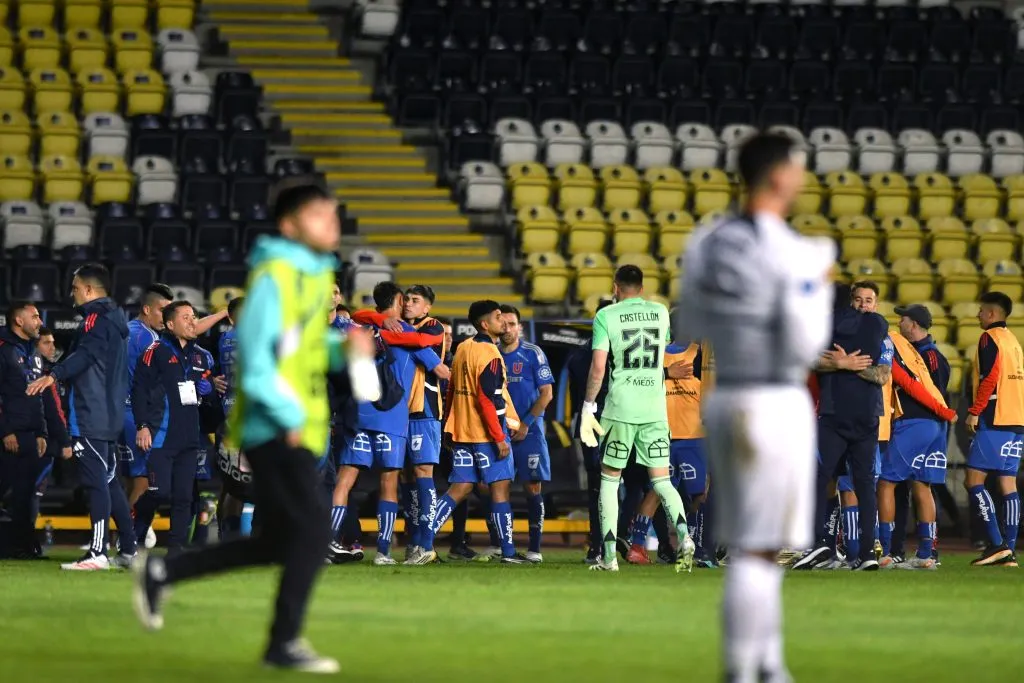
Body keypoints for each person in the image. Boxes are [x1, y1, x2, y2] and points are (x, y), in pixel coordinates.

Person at [132, 184, 379, 672]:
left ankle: (165, 572)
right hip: (276, 425)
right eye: (318, 214)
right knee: (312, 532)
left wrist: (342, 350)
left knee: (278, 541)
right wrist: (287, 418)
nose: (331, 222)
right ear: (289, 225)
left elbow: (302, 351)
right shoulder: (276, 278)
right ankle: (282, 643)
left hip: (297, 426)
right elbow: (258, 358)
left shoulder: (311, 276)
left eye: (333, 213)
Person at [676, 133, 834, 681]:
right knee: (759, 549)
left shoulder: (706, 239)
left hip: (727, 396)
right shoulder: (796, 251)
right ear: (781, 175)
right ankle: (743, 670)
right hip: (774, 397)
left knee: (752, 545)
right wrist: (818, 288)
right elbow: (806, 344)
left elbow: (690, 320)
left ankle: (768, 663)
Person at [580, 265, 695, 573]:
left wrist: (589, 406)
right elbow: (659, 352)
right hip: (655, 409)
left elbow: (598, 368)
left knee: (609, 479)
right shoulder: (660, 312)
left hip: (620, 409)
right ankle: (685, 538)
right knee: (662, 481)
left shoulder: (606, 316)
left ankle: (608, 557)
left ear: (615, 287)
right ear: (642, 288)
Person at [27, 264, 138, 570]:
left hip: (90, 413)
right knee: (110, 482)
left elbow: (85, 356)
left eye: (75, 287)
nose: (72, 293)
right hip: (109, 414)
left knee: (95, 483)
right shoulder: (116, 319)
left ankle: (98, 552)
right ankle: (129, 549)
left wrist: (54, 375)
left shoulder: (94, 319)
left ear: (89, 290)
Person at [330, 281, 443, 565]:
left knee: (344, 481)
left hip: (358, 414)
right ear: (399, 301)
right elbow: (440, 369)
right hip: (392, 417)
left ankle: (327, 543)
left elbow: (353, 317)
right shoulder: (407, 333)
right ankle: (383, 552)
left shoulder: (357, 329)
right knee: (389, 483)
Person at [417, 299, 529, 564]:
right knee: (500, 491)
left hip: (462, 433)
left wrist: (449, 427)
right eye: (498, 317)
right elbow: (488, 399)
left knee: (459, 489)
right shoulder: (490, 354)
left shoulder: (463, 348)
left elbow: (453, 389)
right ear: (485, 324)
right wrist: (499, 437)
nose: (503, 321)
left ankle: (423, 545)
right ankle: (509, 553)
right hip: (486, 435)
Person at [124, 284, 228, 547]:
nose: (193, 321)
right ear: (170, 324)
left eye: (194, 317)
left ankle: (176, 551)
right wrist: (142, 425)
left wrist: (208, 392)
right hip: (161, 436)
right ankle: (133, 535)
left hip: (190, 438)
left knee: (184, 498)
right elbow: (139, 390)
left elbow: (207, 401)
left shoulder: (202, 357)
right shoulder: (155, 351)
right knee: (159, 493)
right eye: (186, 317)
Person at [800, 282, 889, 571]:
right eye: (859, 299)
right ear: (851, 300)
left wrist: (845, 364)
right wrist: (846, 364)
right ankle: (864, 552)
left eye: (868, 300)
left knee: (822, 478)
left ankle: (822, 543)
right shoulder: (881, 327)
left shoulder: (827, 325)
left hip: (839, 414)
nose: (863, 305)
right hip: (860, 416)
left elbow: (882, 376)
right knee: (863, 484)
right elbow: (879, 374)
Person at [876, 304, 953, 570]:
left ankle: (885, 551)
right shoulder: (917, 351)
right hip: (935, 425)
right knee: (922, 485)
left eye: (904, 319)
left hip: (915, 422)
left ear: (914, 324)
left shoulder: (925, 354)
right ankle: (926, 554)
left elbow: (923, 388)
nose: (899, 323)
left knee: (886, 482)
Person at [963, 291, 1023, 567]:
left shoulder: (989, 338)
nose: (978, 315)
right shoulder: (1014, 341)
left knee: (973, 480)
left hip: (996, 417)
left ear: (991, 314)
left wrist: (975, 411)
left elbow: (990, 378)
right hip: (1017, 419)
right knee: (1008, 482)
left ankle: (997, 544)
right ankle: (1009, 549)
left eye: (981, 310)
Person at [499, 304, 554, 563]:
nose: (507, 329)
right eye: (503, 324)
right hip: (499, 433)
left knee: (532, 486)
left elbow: (547, 394)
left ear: (520, 327)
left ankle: (535, 548)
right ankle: (502, 545)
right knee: (496, 488)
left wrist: (526, 423)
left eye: (512, 324)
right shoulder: (491, 353)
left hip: (529, 432)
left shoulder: (533, 353)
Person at [566, 300, 612, 564]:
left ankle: (599, 545)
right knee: (616, 484)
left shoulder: (578, 355)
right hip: (614, 420)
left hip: (590, 422)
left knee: (599, 486)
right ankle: (607, 543)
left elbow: (576, 397)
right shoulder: (614, 352)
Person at [0, 302, 48, 558]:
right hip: (9, 436)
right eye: (35, 317)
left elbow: (37, 396)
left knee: (26, 495)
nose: (40, 321)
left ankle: (22, 546)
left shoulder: (35, 353)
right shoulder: (4, 350)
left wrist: (41, 432)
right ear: (19, 321)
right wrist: (5, 431)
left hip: (30, 435)